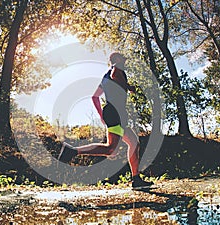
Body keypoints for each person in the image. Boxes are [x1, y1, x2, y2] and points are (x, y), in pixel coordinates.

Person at [58, 52, 153, 189]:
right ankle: (72, 151)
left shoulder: (105, 77)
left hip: (114, 113)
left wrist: (102, 115)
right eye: (121, 58)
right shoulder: (116, 68)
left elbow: (95, 97)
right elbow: (115, 75)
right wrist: (128, 87)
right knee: (110, 149)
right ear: (115, 60)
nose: (124, 61)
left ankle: (136, 178)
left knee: (133, 142)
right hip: (115, 113)